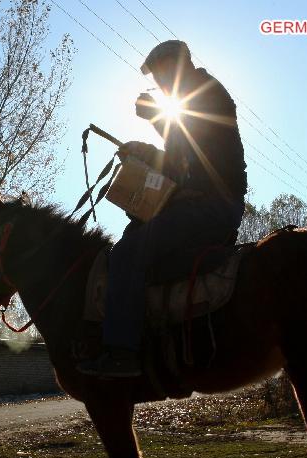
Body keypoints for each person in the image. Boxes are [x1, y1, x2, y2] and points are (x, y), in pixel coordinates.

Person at [77, 40, 247, 378]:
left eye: (160, 76)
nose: (159, 84)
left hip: (212, 205)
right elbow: (180, 159)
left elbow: (193, 140)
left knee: (127, 255)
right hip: (203, 203)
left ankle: (122, 354)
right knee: (131, 236)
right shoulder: (194, 100)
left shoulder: (207, 92)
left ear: (175, 67)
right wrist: (143, 151)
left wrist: (156, 116)